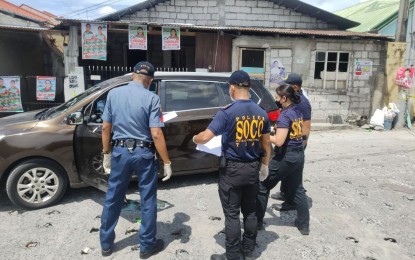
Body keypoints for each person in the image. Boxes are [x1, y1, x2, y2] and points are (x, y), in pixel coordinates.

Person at [193, 70, 271, 260]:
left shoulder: (227, 113)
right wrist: (265, 165)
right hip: (253, 168)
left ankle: (233, 255)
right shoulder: (261, 113)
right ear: (250, 88)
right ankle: (249, 248)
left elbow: (204, 138)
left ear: (232, 88)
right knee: (250, 211)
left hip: (233, 170)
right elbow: (266, 143)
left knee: (232, 214)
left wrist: (195, 137)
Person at [100, 61, 173, 258]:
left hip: (120, 152)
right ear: (149, 81)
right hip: (143, 153)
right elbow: (156, 134)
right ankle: (146, 246)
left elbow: (106, 127)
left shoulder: (114, 94)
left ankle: (106, 245)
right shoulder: (152, 98)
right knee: (148, 199)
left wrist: (106, 153)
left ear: (132, 75)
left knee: (113, 197)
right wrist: (166, 162)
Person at [256, 84, 310, 235]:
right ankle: (304, 224)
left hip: (287, 156)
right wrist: (275, 130)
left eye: (277, 97)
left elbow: (279, 141)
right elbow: (289, 131)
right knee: (298, 188)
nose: (276, 99)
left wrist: (264, 135)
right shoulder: (297, 110)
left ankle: (257, 222)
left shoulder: (285, 115)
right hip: (298, 154)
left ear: (284, 98)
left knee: (263, 185)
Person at [271, 73, 311, 202]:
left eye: (287, 84)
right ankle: (285, 194)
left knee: (291, 172)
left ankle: (290, 199)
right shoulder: (292, 100)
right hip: (287, 141)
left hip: (294, 144)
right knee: (288, 172)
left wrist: (301, 142)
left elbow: (306, 125)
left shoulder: (302, 103)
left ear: (294, 86)